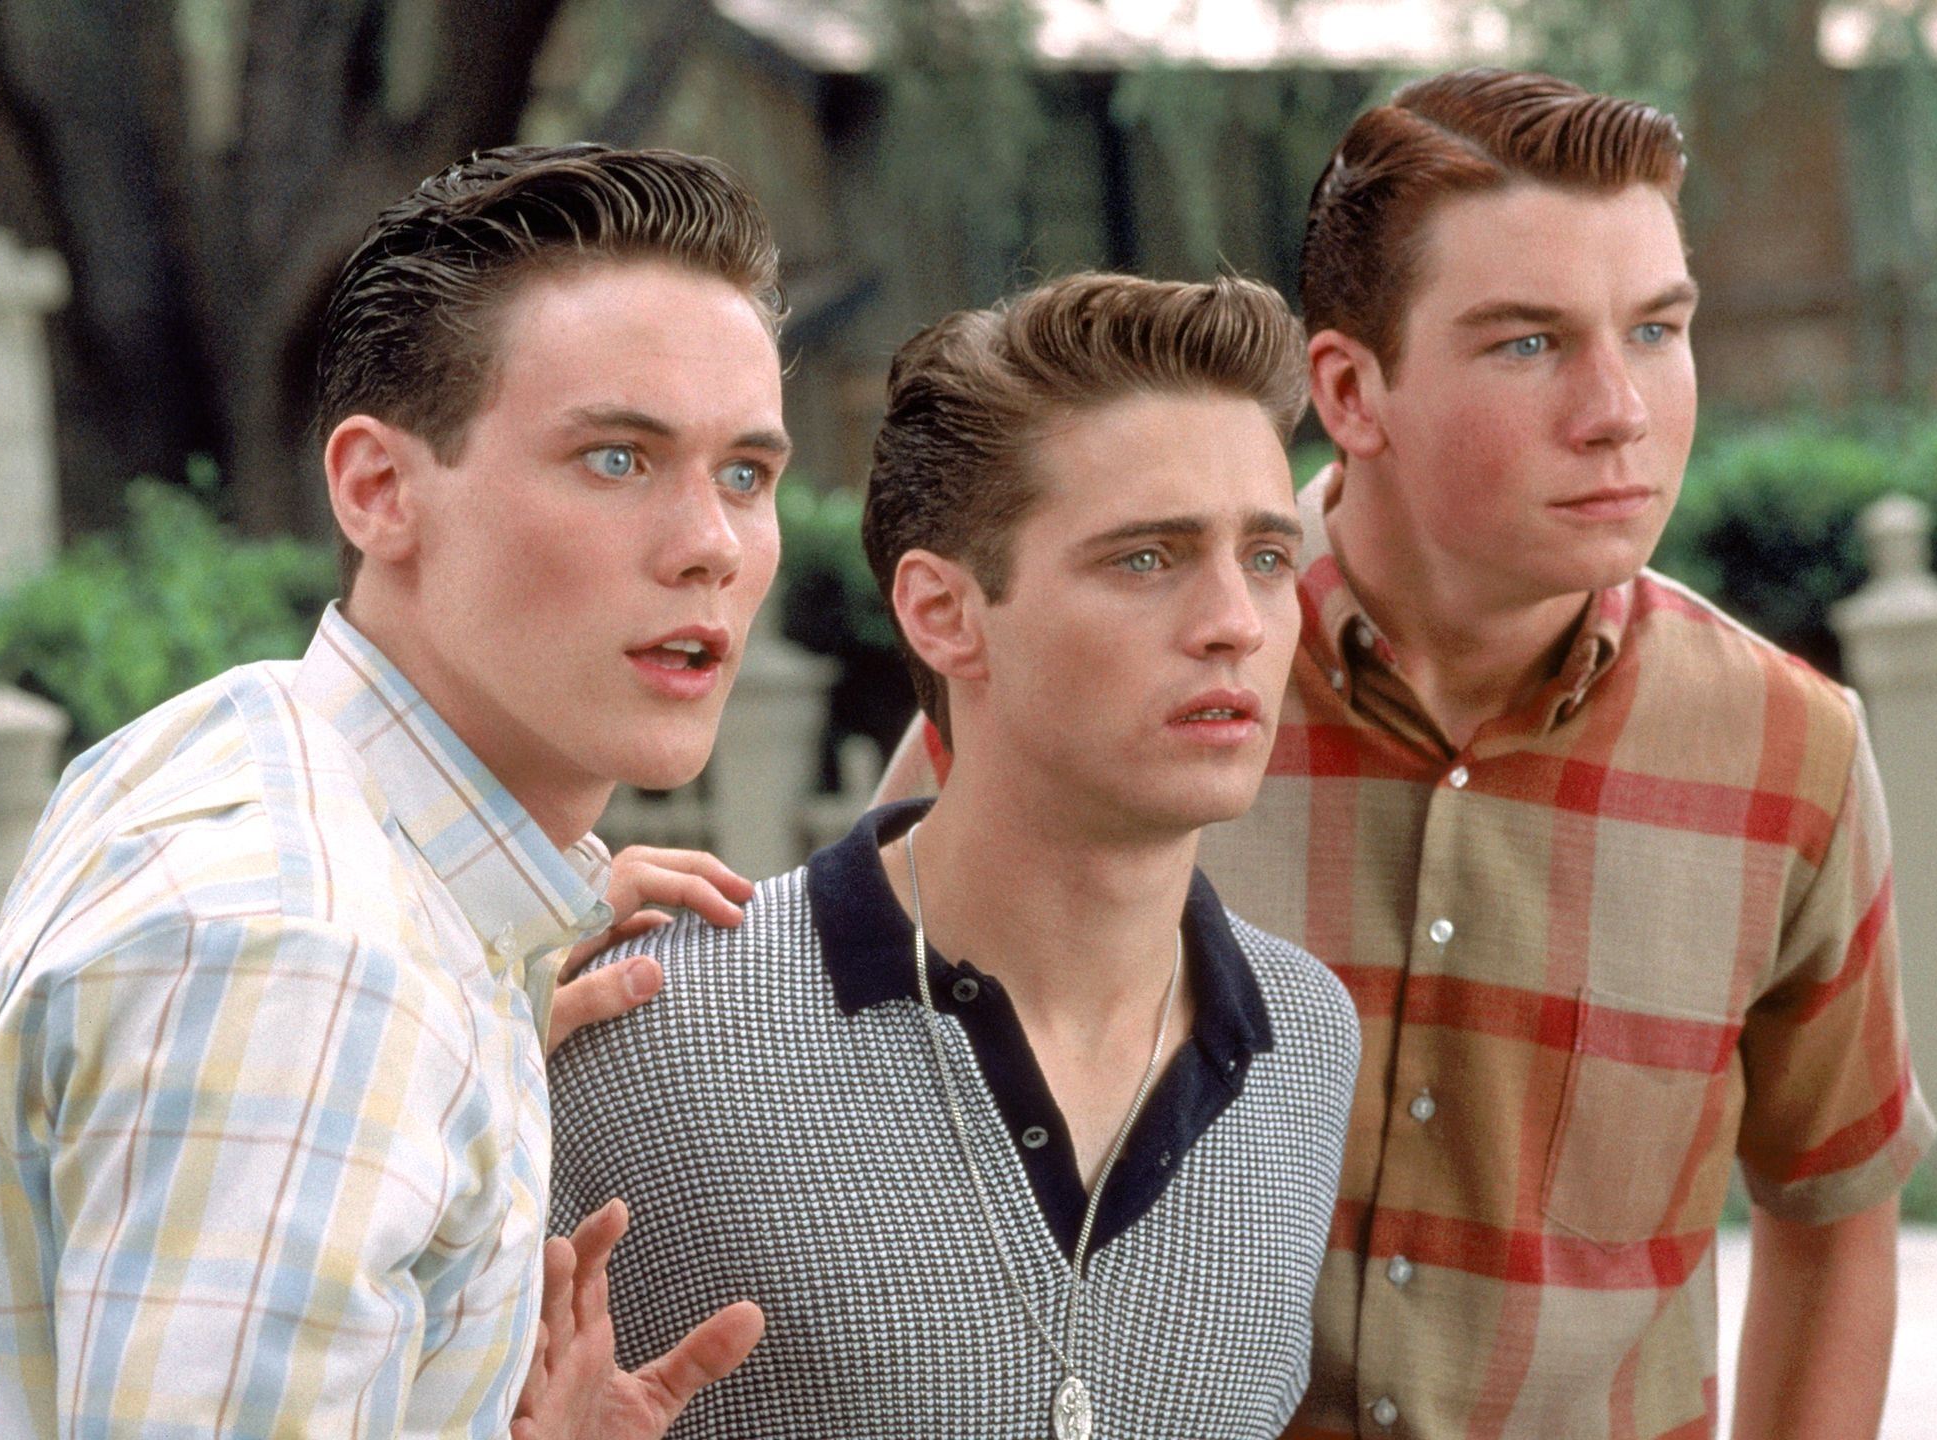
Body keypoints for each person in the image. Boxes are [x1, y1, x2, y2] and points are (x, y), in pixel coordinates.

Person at [880, 71, 1934, 1439]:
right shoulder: (1086, 689)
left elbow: (1835, 1214)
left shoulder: (1788, 753)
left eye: (1657, 330)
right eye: (1528, 343)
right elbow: (854, 1103)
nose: (1617, 408)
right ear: (1350, 389)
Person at [0, 143, 789, 1438]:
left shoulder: (219, 747)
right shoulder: (319, 963)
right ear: (378, 490)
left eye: (746, 475)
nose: (712, 545)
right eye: (617, 459)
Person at [548, 272, 1361, 1437]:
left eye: (1269, 558)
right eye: (1147, 559)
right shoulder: (647, 1022)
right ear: (942, 613)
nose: (1235, 620)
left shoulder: (1306, 1040)